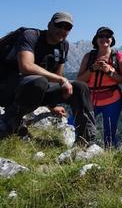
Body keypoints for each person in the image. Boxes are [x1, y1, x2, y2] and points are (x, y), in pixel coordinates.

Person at [0, 12, 96, 144]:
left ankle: (86, 141)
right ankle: (10, 120)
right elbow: (26, 67)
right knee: (40, 81)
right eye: (59, 25)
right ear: (50, 25)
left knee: (80, 87)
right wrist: (62, 80)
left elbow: (57, 76)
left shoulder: (63, 46)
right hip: (9, 90)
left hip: (37, 90)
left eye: (67, 27)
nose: (63, 30)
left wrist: (53, 105)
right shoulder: (31, 36)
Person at [77, 27, 122, 148]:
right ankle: (81, 150)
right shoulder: (88, 57)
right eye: (101, 36)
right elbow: (79, 80)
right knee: (78, 126)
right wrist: (92, 69)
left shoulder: (118, 57)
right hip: (90, 100)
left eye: (108, 36)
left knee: (109, 133)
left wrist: (109, 72)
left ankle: (110, 158)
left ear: (112, 40)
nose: (105, 38)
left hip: (112, 101)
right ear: (96, 39)